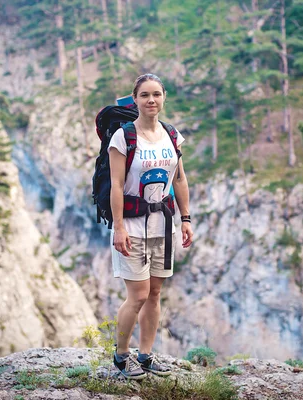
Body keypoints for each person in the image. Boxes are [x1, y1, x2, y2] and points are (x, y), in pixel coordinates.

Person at [108, 73, 194, 379]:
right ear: (135, 100)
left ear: (164, 97)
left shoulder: (172, 135)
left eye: (156, 94)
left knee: (155, 293)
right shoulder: (124, 137)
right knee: (139, 295)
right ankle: (121, 356)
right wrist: (118, 227)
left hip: (164, 224)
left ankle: (145, 355)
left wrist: (185, 218)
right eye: (145, 95)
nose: (151, 100)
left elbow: (180, 179)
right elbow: (116, 186)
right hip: (131, 226)